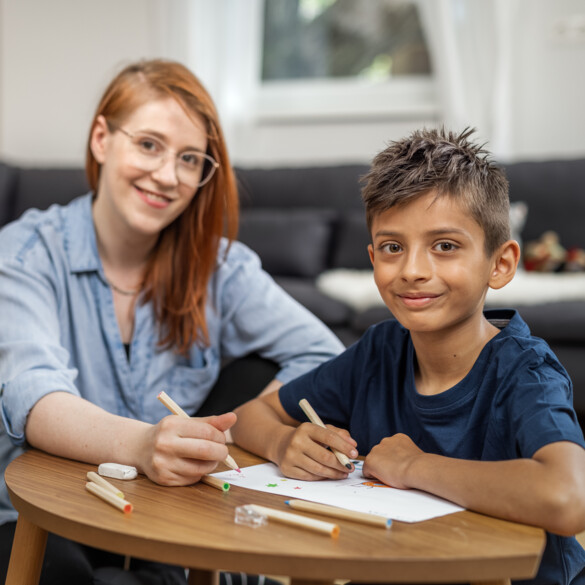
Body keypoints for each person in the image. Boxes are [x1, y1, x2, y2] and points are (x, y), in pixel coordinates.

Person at [0, 59, 344, 585]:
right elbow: (34, 398)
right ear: (101, 139)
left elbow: (324, 355)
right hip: (46, 513)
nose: (167, 175)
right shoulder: (24, 254)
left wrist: (262, 430)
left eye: (190, 159)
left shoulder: (219, 267)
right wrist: (141, 445)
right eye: (149, 145)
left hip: (164, 516)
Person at [231, 128, 585, 585]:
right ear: (372, 257)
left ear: (500, 264)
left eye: (445, 246)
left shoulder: (525, 372)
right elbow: (246, 417)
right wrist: (283, 444)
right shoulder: (378, 351)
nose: (413, 271)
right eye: (393, 248)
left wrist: (413, 467)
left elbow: (568, 497)